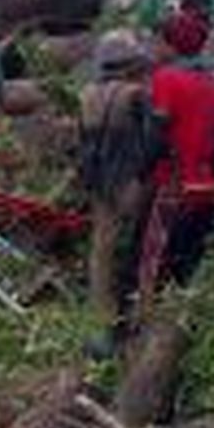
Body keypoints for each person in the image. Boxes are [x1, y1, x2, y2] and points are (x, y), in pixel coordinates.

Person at [138, 7, 214, 306]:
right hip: (207, 190)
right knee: (188, 263)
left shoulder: (166, 78)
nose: (155, 47)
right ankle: (180, 315)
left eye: (158, 41)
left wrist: (140, 171)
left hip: (174, 187)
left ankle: (143, 322)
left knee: (154, 263)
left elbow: (157, 134)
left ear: (170, 45)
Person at [79, 31, 159, 331]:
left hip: (97, 180)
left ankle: (100, 311)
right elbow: (150, 142)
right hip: (128, 180)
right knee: (139, 242)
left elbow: (82, 142)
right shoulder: (136, 95)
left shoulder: (86, 95)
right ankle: (136, 308)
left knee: (102, 246)